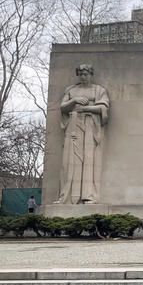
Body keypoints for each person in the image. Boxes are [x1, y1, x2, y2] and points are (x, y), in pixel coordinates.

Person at [54, 64, 110, 204]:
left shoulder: (98, 90)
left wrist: (85, 108)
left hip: (90, 126)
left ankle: (88, 196)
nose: (83, 77)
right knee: (70, 161)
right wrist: (74, 100)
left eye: (86, 74)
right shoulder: (72, 90)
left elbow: (103, 108)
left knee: (89, 160)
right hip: (73, 126)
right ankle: (66, 197)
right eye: (81, 74)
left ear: (91, 74)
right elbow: (63, 107)